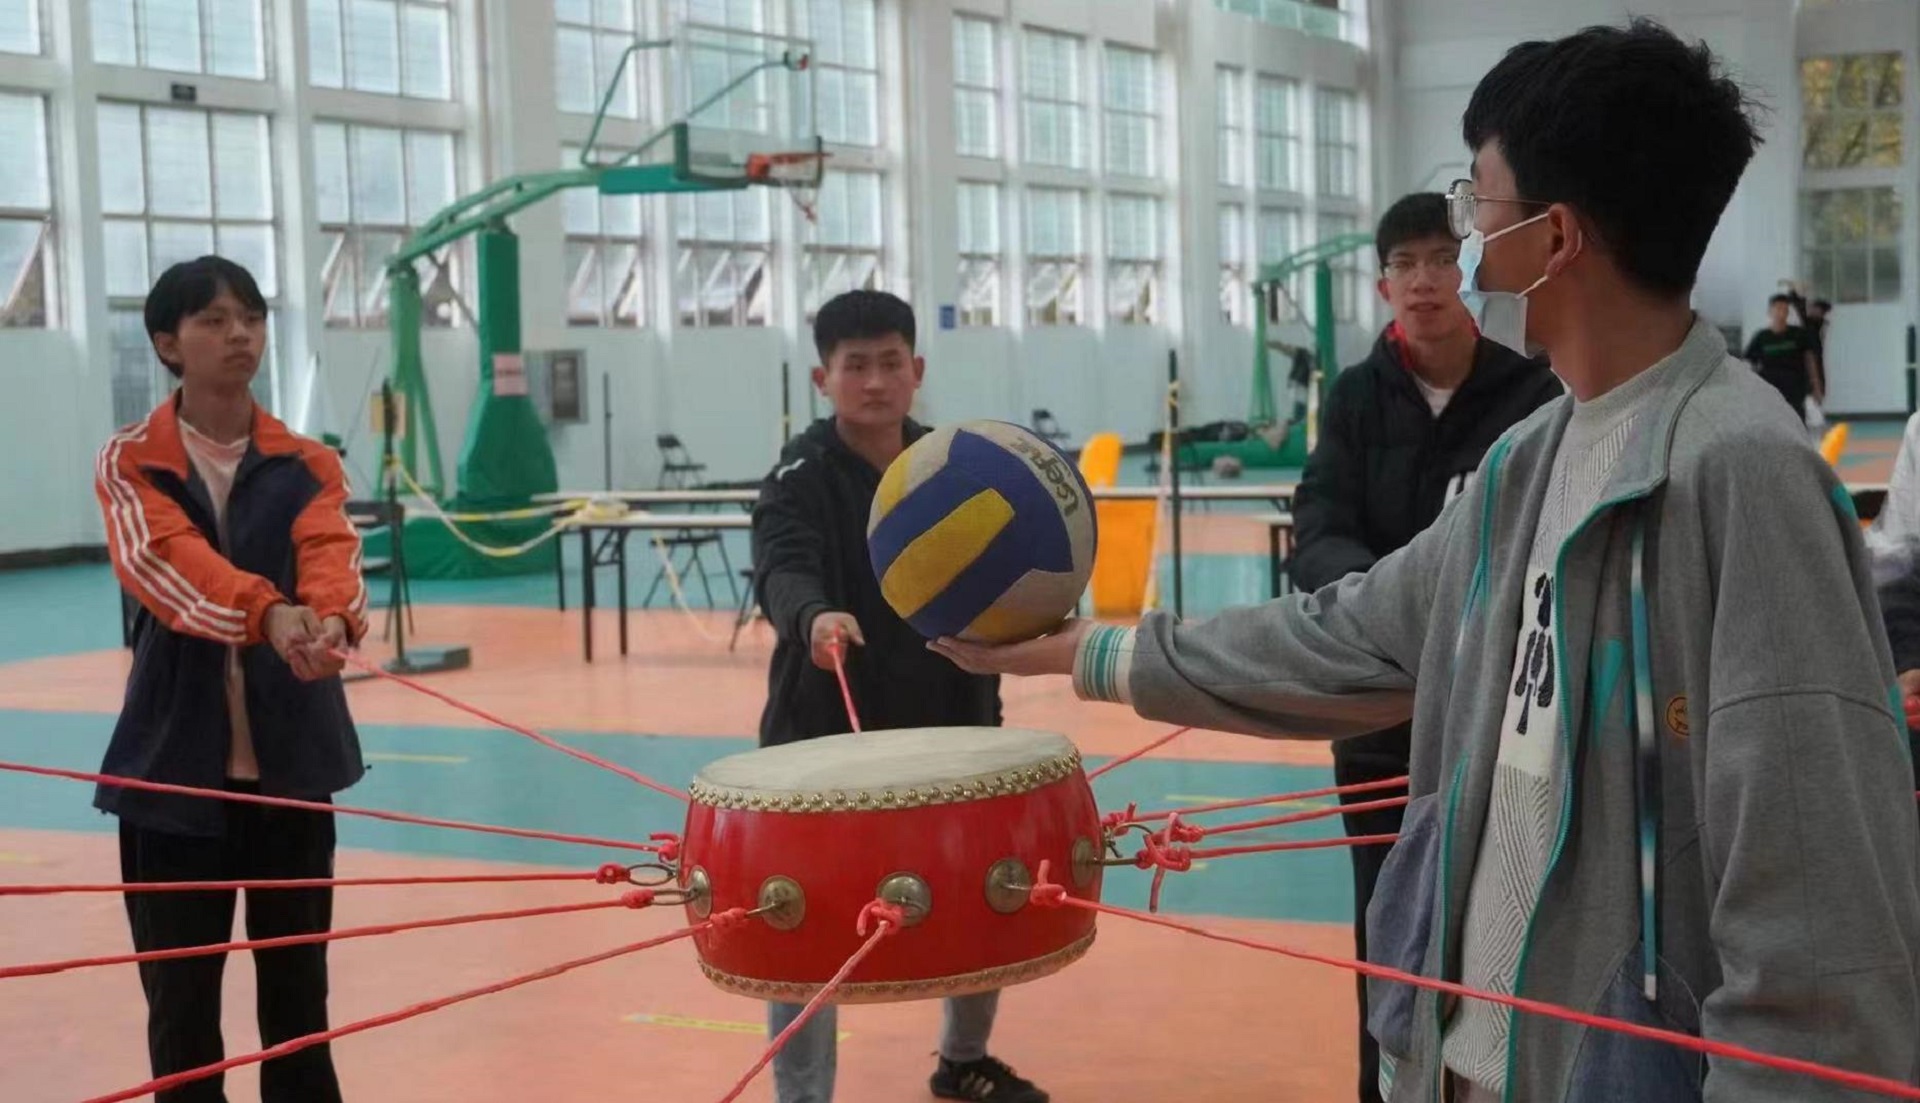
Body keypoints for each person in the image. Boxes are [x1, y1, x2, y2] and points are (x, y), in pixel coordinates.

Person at [932, 19, 1920, 1103]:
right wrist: (1087, 650)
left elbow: (1818, 931)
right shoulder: (1528, 460)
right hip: (1464, 1067)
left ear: (1557, 236)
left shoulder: (1744, 474)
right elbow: (1348, 635)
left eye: (1475, 204)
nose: (1464, 240)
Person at [1289, 191, 1562, 1103]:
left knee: (1507, 931)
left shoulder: (1533, 394)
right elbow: (1319, 525)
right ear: (1382, 286)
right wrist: (1383, 613)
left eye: (1442, 259)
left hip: (1498, 719)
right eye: (1404, 264)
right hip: (1379, 721)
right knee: (1388, 946)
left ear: (1471, 272)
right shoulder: (1354, 398)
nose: (1424, 280)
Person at [749, 289, 1047, 1103]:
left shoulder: (956, 468)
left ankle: (964, 1058)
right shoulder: (799, 477)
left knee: (984, 889)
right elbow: (782, 566)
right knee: (804, 921)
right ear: (823, 378)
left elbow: (1007, 562)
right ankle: (802, 1095)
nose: (874, 382)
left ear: (916, 369)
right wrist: (812, 616)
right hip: (823, 734)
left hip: (954, 715)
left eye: (889, 362)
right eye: (856, 366)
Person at [93, 256, 368, 1102]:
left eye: (250, 317)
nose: (239, 334)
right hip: (171, 779)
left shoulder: (309, 462)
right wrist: (269, 614)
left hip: (293, 775)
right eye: (213, 320)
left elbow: (331, 553)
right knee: (182, 1018)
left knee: (300, 1009)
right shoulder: (132, 462)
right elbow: (170, 564)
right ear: (167, 344)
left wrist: (329, 620)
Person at [1743, 292, 1820, 423]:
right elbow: (1748, 364)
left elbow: (1810, 361)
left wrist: (1816, 387)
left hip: (1795, 391)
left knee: (1796, 425)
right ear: (1770, 312)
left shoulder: (1798, 334)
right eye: (1778, 309)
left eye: (1785, 309)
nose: (1782, 313)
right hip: (1770, 393)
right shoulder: (1761, 337)